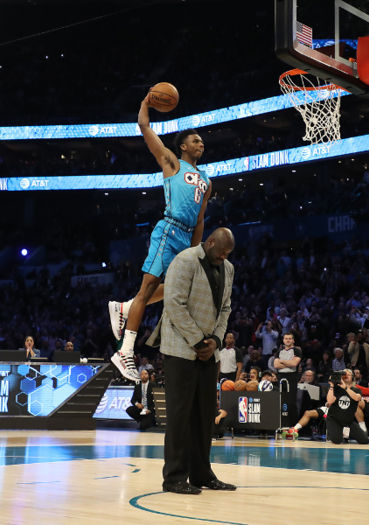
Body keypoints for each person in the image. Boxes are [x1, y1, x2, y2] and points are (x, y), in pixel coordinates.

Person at [108, 94, 212, 382]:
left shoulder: (206, 181)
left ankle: (124, 308)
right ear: (182, 146)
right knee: (148, 288)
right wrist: (144, 103)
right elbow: (144, 127)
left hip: (186, 239)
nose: (200, 144)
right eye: (195, 140)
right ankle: (125, 350)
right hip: (168, 230)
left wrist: (195, 252)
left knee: (176, 288)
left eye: (202, 141)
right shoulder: (171, 162)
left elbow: (201, 219)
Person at [146, 227, 235, 495]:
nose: (223, 256)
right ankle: (174, 478)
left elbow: (226, 307)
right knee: (179, 415)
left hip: (209, 351)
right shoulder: (184, 260)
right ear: (209, 242)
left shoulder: (228, 268)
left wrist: (216, 342)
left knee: (204, 415)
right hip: (180, 349)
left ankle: (201, 474)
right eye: (220, 251)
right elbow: (173, 304)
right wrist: (199, 342)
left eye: (227, 253)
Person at [290, 369, 368, 444]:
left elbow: (357, 398)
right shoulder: (336, 389)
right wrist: (332, 385)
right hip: (334, 419)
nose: (346, 376)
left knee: (364, 440)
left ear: (353, 378)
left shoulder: (356, 390)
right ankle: (335, 432)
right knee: (337, 441)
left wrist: (345, 388)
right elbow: (330, 401)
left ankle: (344, 433)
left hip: (348, 421)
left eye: (348, 375)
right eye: (344, 375)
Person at [274, 332, 302, 426]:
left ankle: (293, 425)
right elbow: (276, 365)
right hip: (281, 377)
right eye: (286, 338)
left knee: (291, 402)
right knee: (281, 401)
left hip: (292, 377)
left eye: (290, 338)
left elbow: (294, 364)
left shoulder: (297, 351)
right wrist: (288, 362)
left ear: (293, 340)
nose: (288, 340)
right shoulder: (279, 352)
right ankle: (281, 424)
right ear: (283, 340)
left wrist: (282, 361)